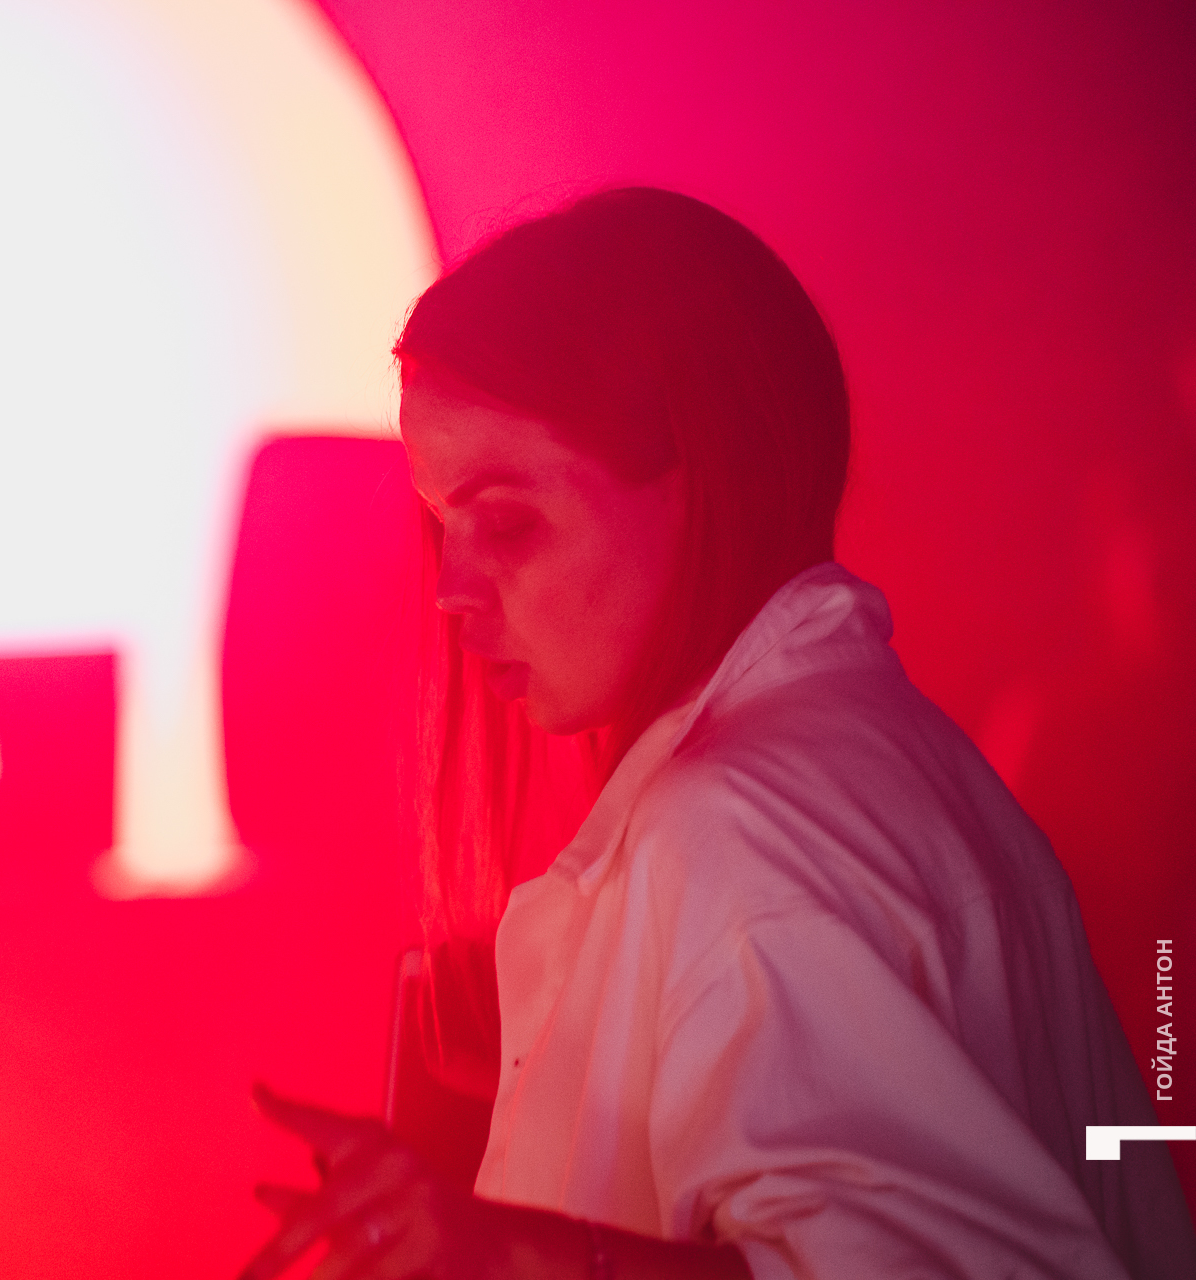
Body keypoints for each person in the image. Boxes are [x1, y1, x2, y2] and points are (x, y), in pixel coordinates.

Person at [242, 188, 1195, 1279]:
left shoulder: (744, 826)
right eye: (440, 526)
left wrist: (510, 1250)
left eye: (505, 521)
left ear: (704, 480)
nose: (452, 588)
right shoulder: (883, 762)